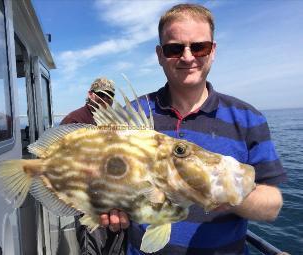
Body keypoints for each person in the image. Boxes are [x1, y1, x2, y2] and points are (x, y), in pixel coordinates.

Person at [100, 4, 286, 255]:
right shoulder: (131, 115)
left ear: (213, 51)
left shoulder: (248, 118)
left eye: (199, 47)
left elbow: (272, 205)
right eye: (175, 48)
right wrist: (109, 207)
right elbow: (102, 174)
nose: (188, 57)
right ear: (159, 54)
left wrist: (232, 194)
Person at [60, 77, 129, 255]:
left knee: (117, 246)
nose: (105, 99)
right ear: (90, 94)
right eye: (101, 95)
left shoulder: (116, 122)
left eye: (109, 96)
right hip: (87, 200)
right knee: (91, 246)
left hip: (115, 197)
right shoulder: (75, 119)